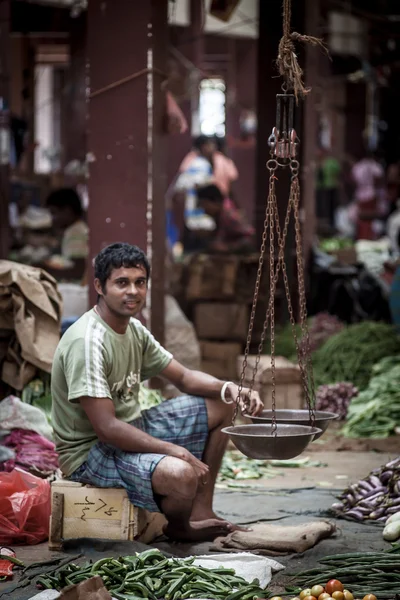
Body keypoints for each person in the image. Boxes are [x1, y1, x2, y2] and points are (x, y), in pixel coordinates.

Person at [51, 242, 263, 542]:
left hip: (130, 428)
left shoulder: (133, 330)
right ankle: (179, 528)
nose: (133, 291)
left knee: (222, 405)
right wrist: (174, 450)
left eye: (140, 283)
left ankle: (202, 512)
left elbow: (185, 377)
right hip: (91, 453)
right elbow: (107, 428)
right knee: (181, 474)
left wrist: (230, 387)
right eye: (121, 283)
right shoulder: (88, 342)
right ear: (99, 286)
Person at [42, 188, 89, 281]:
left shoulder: (75, 232)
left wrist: (45, 270)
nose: (52, 219)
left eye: (54, 213)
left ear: (67, 211)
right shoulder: (77, 228)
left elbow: (79, 271)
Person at [197, 184, 255, 253]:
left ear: (215, 201)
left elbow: (250, 237)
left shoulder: (228, 214)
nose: (204, 210)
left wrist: (227, 248)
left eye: (205, 205)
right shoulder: (220, 213)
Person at [351, 152, 386, 240]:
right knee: (366, 222)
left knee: (366, 223)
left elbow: (353, 180)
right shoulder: (375, 166)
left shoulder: (358, 166)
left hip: (362, 196)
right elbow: (378, 178)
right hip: (369, 196)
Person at [315, 148, 341, 228]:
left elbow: (338, 170)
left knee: (330, 205)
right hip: (320, 187)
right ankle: (321, 221)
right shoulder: (316, 162)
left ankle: (331, 222)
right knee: (321, 204)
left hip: (330, 186)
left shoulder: (330, 162)